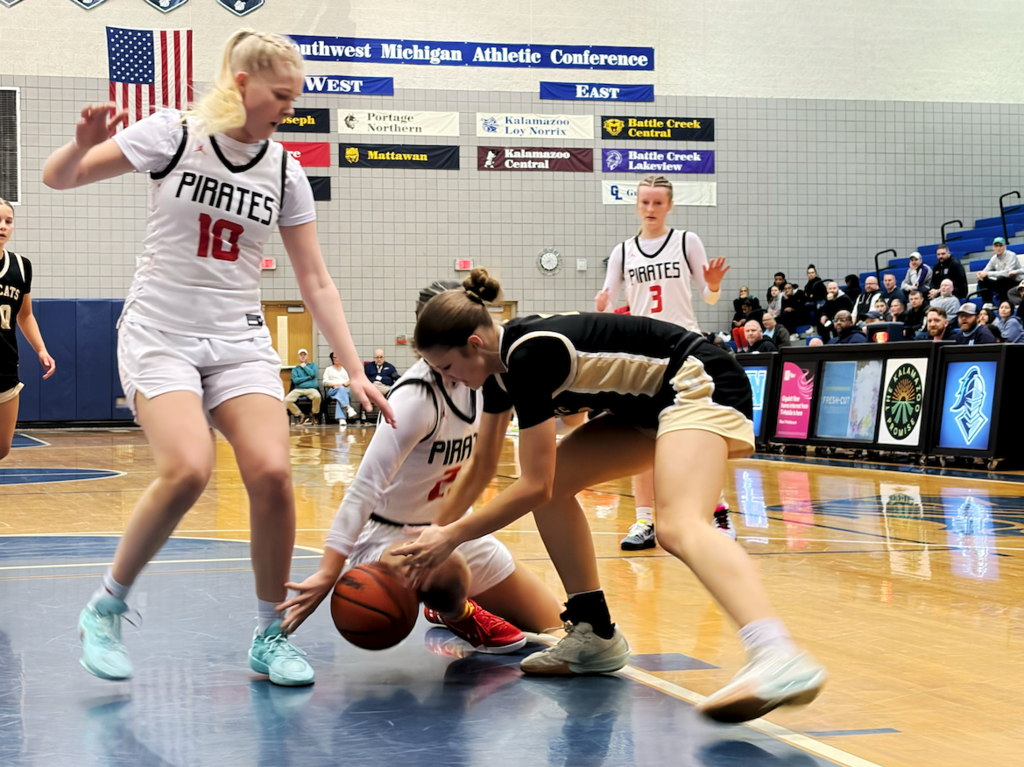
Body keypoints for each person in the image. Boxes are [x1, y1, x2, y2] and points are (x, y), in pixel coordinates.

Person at [43, 29, 394, 686]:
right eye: (281, 94)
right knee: (189, 469)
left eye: (296, 96)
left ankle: (270, 632)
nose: (290, 107)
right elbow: (60, 179)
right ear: (241, 84)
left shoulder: (286, 169)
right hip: (161, 330)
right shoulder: (173, 135)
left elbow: (315, 279)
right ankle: (105, 607)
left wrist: (352, 368)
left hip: (236, 337)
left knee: (272, 473)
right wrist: (81, 144)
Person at [397, 268, 827, 724]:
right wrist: (432, 535)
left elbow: (531, 484)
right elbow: (483, 467)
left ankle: (777, 653)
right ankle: (593, 631)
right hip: (648, 406)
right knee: (557, 486)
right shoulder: (500, 373)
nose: (452, 380)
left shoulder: (528, 356)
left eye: (447, 368)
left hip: (697, 382)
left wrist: (449, 538)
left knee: (678, 526)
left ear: (475, 345)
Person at [280, 281, 562, 651]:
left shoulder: (487, 375)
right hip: (388, 541)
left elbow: (488, 465)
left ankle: (439, 603)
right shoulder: (416, 397)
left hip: (448, 529)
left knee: (556, 625)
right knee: (444, 571)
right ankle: (457, 612)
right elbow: (364, 487)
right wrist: (330, 570)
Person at [594, 174, 735, 551]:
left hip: (686, 348)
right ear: (636, 205)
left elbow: (707, 297)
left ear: (669, 205)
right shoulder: (624, 250)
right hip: (644, 352)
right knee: (644, 441)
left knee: (699, 436)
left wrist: (714, 283)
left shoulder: (687, 241)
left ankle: (718, 510)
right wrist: (602, 305)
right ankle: (644, 521)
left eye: (658, 202)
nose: (651, 209)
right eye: (645, 202)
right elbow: (609, 298)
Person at [0, 198, 56, 462]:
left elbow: (26, 315)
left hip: (6, 364)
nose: (3, 226)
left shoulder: (21, 266)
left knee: (2, 448)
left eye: (8, 221)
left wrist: (41, 349)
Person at [976, 237, 1023, 305]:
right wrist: (980, 274)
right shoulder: (993, 258)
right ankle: (988, 303)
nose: (998, 248)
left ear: (1005, 246)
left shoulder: (1011, 255)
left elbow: (1007, 273)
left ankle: (1004, 302)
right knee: (982, 280)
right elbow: (985, 271)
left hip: (1015, 282)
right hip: (1002, 282)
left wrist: (987, 273)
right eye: (996, 246)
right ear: (993, 247)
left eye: (1000, 246)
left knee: (1001, 279)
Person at [285, 348, 321, 424]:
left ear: (307, 356)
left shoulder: (313, 365)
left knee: (317, 396)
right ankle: (300, 415)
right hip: (298, 389)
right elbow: (295, 381)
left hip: (311, 389)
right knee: (286, 400)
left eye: (305, 355)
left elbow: (313, 374)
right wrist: (308, 378)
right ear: (298, 357)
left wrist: (304, 366)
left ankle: (314, 413)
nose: (303, 356)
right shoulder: (295, 369)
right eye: (301, 355)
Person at [323, 351, 358, 424]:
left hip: (344, 389)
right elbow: (325, 382)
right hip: (333, 390)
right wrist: (333, 385)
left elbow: (351, 379)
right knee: (341, 391)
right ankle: (348, 408)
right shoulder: (328, 369)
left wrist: (345, 384)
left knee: (340, 396)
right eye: (334, 357)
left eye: (337, 357)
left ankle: (342, 418)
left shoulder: (346, 369)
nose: (336, 359)